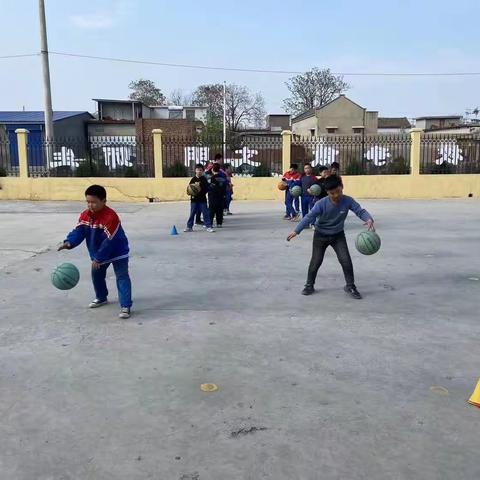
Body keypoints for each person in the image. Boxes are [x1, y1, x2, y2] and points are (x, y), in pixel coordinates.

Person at [287, 175, 374, 299]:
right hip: (320, 236)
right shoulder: (321, 204)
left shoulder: (348, 200)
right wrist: (297, 231)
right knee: (316, 261)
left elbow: (359, 210)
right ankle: (309, 285)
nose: (336, 195)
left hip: (338, 236)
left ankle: (350, 286)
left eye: (338, 191)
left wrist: (368, 219)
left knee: (346, 260)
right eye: (332, 193)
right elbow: (309, 217)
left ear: (342, 187)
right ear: (327, 192)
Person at [58, 184, 133, 319]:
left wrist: (98, 258)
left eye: (93, 202)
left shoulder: (111, 217)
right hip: (98, 253)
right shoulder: (85, 215)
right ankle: (101, 297)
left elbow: (109, 241)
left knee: (122, 277)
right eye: (88, 202)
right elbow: (79, 231)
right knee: (96, 275)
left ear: (104, 201)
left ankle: (125, 306)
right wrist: (69, 242)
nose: (90, 205)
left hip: (117, 251)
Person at [185, 164, 214, 233]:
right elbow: (189, 189)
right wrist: (191, 192)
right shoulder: (193, 179)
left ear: (203, 171)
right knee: (192, 213)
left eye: (201, 170)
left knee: (205, 213)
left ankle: (208, 226)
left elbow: (206, 189)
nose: (199, 171)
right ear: (195, 170)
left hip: (202, 200)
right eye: (198, 170)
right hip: (194, 200)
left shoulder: (204, 179)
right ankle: (189, 227)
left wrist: (199, 190)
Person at [208, 163, 227, 228]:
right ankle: (219, 223)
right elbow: (225, 187)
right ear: (219, 170)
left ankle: (210, 223)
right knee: (220, 210)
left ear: (213, 170)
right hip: (221, 196)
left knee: (211, 210)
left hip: (213, 197)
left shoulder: (211, 178)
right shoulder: (223, 178)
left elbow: (210, 187)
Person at [300, 163, 317, 227]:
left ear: (311, 169)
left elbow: (317, 187)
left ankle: (313, 223)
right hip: (303, 196)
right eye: (305, 168)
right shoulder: (302, 177)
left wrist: (313, 192)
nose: (307, 169)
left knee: (312, 210)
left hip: (312, 197)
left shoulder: (314, 178)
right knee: (304, 211)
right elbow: (298, 184)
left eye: (308, 168)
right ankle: (305, 224)